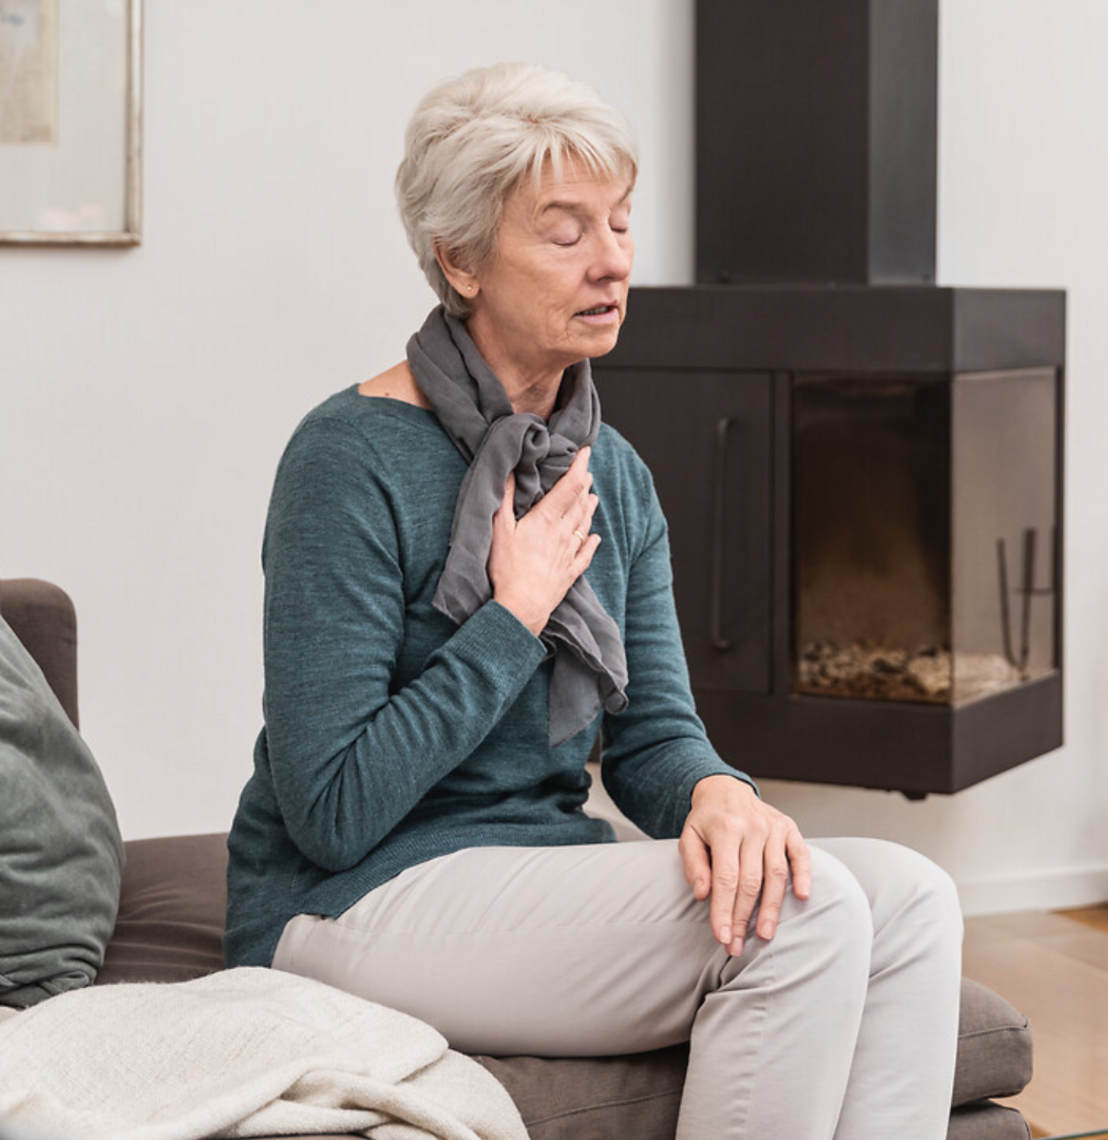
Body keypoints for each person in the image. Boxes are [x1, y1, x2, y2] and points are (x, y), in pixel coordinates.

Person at [225, 61, 963, 1139]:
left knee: (909, 897)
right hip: (347, 898)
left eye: (620, 224)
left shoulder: (608, 470)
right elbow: (332, 808)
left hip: (533, 867)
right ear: (460, 259)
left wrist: (718, 793)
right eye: (565, 232)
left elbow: (654, 736)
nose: (613, 261)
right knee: (797, 924)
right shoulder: (346, 458)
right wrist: (510, 619)